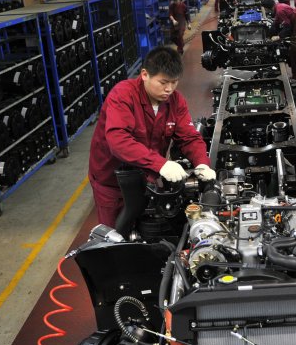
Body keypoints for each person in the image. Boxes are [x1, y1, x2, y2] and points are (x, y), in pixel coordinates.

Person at [88, 47, 215, 227]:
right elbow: (118, 141)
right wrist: (160, 164)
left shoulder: (176, 101)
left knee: (145, 227)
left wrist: (202, 162)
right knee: (113, 237)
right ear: (145, 74)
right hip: (112, 182)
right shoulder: (123, 95)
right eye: (163, 82)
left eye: (174, 82)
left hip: (146, 177)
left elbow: (189, 138)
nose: (169, 89)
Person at [261, 0, 296, 85]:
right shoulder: (278, 7)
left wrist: (279, 37)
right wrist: (268, 35)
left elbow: (287, 27)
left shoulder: (280, 11)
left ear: (267, 7)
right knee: (293, 54)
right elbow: (276, 24)